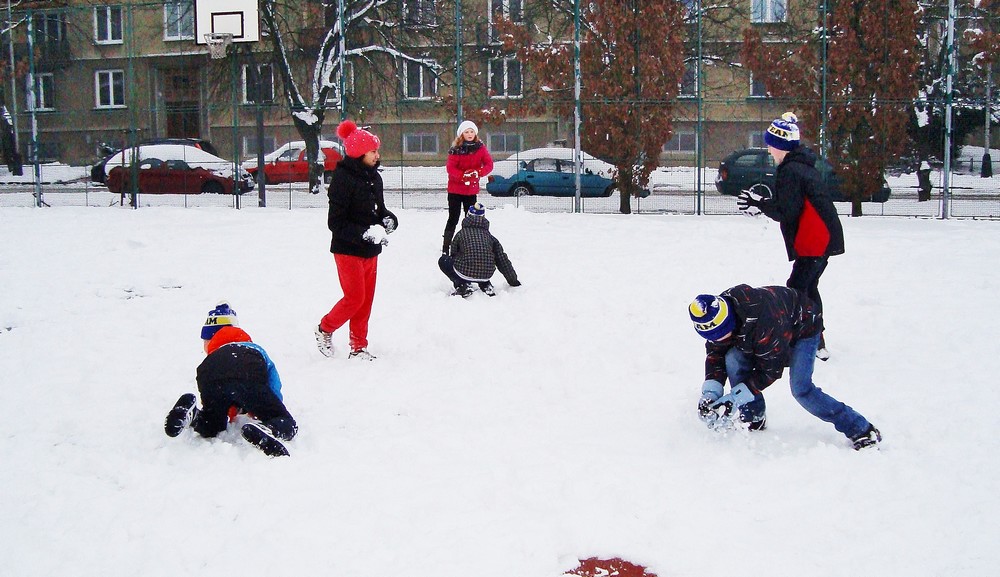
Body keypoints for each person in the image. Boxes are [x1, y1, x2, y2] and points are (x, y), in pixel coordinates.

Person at [688, 285, 881, 450]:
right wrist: (711, 393)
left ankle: (860, 428)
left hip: (803, 327)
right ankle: (754, 416)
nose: (717, 340)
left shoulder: (764, 323)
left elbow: (770, 370)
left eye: (721, 335)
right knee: (732, 359)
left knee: (802, 389)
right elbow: (716, 353)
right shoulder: (717, 316)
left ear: (730, 323)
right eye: (712, 337)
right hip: (768, 332)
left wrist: (734, 399)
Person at [736, 112, 844, 360]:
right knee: (807, 288)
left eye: (770, 144)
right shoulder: (800, 166)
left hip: (815, 240)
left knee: (796, 290)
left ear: (780, 145)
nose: (768, 149)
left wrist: (759, 204)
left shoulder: (791, 171)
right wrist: (763, 203)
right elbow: (792, 205)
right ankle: (816, 340)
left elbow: (787, 212)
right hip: (822, 239)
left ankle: (808, 341)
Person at [164, 302, 298, 457]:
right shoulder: (254, 349)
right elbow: (273, 384)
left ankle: (192, 414)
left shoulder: (214, 355)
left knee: (212, 425)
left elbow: (226, 392)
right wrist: (270, 407)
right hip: (246, 373)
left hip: (208, 372)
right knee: (284, 421)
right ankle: (267, 429)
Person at [314, 120, 398, 361]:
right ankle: (324, 329)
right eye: (373, 151)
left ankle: (358, 347)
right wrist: (365, 233)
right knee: (354, 299)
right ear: (359, 153)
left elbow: (379, 211)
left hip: (371, 251)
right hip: (347, 249)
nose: (377, 155)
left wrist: (389, 220)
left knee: (365, 301)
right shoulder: (343, 180)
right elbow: (335, 223)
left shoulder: (374, 178)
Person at [438, 202, 521, 297]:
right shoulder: (490, 237)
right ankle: (485, 284)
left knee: (443, 260)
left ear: (468, 215)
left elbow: (453, 254)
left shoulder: (460, 234)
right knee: (482, 263)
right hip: (486, 275)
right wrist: (513, 281)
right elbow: (502, 261)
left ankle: (462, 285)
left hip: (464, 273)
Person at [443, 120, 493, 254]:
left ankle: (468, 245)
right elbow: (450, 168)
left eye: (472, 131)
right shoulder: (455, 150)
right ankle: (446, 246)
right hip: (455, 190)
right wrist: (463, 176)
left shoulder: (480, 148)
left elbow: (489, 164)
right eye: (466, 132)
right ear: (461, 134)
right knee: (453, 218)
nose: (470, 134)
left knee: (470, 219)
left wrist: (478, 173)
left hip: (471, 191)